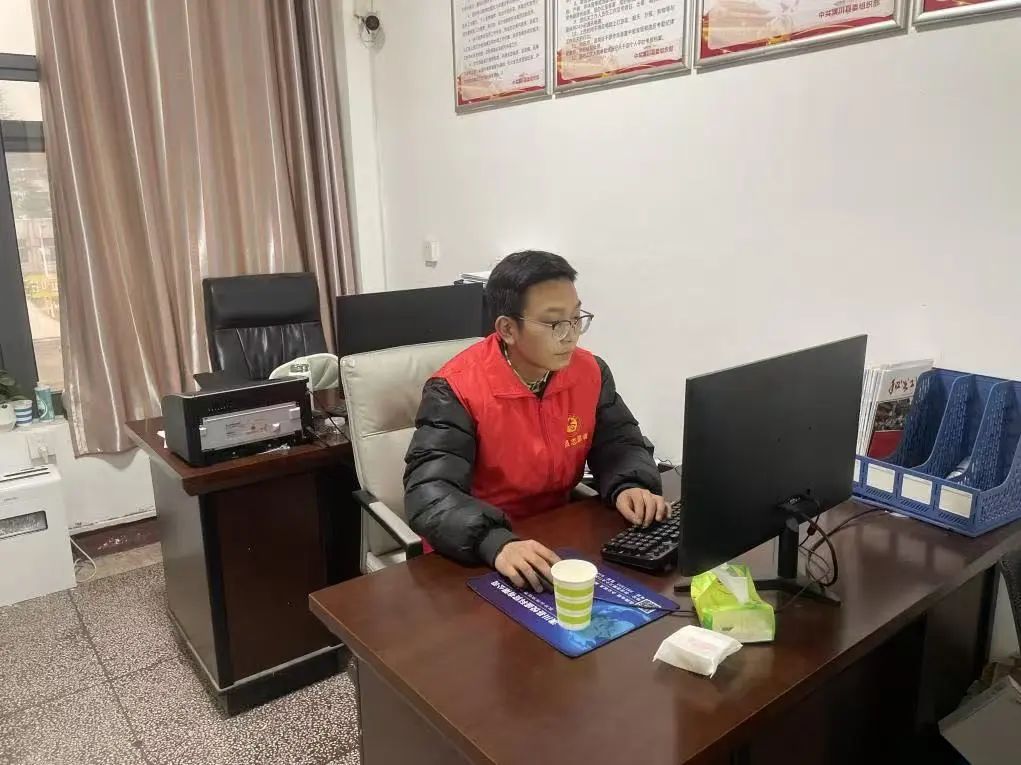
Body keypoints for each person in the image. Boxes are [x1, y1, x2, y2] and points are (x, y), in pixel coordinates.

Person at [403, 251, 668, 592]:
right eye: (555, 323)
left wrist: (629, 484)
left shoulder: (590, 371)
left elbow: (619, 441)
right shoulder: (456, 389)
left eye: (576, 318)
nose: (571, 336)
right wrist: (494, 541)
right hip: (475, 548)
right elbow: (429, 492)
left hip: (555, 532)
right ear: (508, 329)